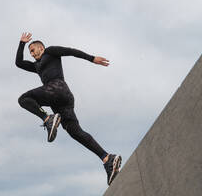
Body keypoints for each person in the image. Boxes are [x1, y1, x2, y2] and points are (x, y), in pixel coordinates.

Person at [15, 32, 122, 185]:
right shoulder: (36, 66)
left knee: (24, 99)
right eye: (30, 52)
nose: (31, 54)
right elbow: (18, 63)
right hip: (60, 101)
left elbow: (70, 51)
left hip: (58, 88)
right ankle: (107, 159)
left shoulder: (50, 51)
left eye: (32, 50)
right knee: (75, 132)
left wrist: (91, 58)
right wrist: (22, 43)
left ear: (41, 48)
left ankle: (48, 119)